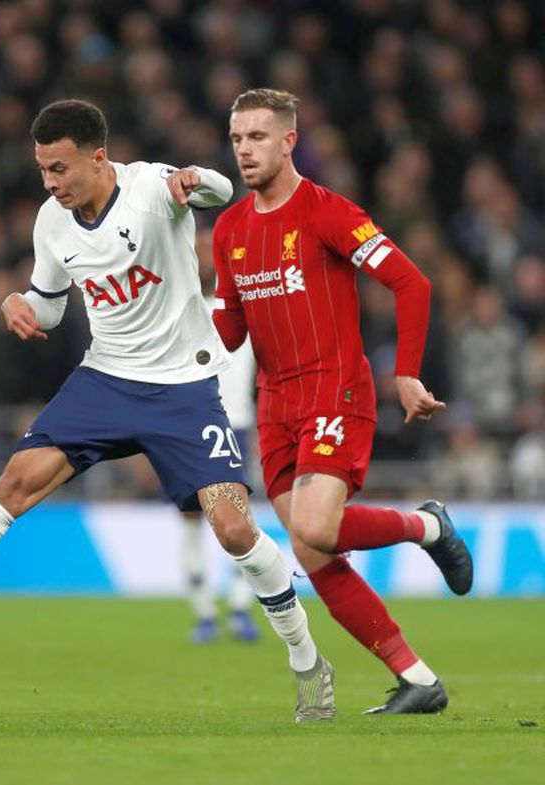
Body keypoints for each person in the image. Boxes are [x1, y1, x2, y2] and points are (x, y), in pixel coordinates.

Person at [0, 99, 335, 723]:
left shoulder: (154, 189)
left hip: (182, 387)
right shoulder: (52, 221)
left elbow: (221, 186)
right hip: (104, 379)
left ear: (98, 159)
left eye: (59, 169)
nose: (49, 183)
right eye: (43, 170)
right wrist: (20, 303)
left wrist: (192, 179)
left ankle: (306, 661)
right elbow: (50, 304)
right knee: (14, 481)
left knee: (233, 529)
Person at [210, 88, 473, 714]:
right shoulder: (229, 229)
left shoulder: (329, 213)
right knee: (310, 548)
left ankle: (429, 525)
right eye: (238, 138)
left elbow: (411, 281)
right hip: (274, 403)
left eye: (258, 137)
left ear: (289, 141)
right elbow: (230, 332)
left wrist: (405, 374)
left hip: (336, 388)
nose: (245, 150)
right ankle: (417, 679)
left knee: (313, 527)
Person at [182, 266, 258, 644]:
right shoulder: (183, 307)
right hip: (192, 424)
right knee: (192, 520)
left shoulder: (250, 308)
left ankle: (241, 606)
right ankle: (204, 613)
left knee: (239, 517)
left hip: (238, 423)